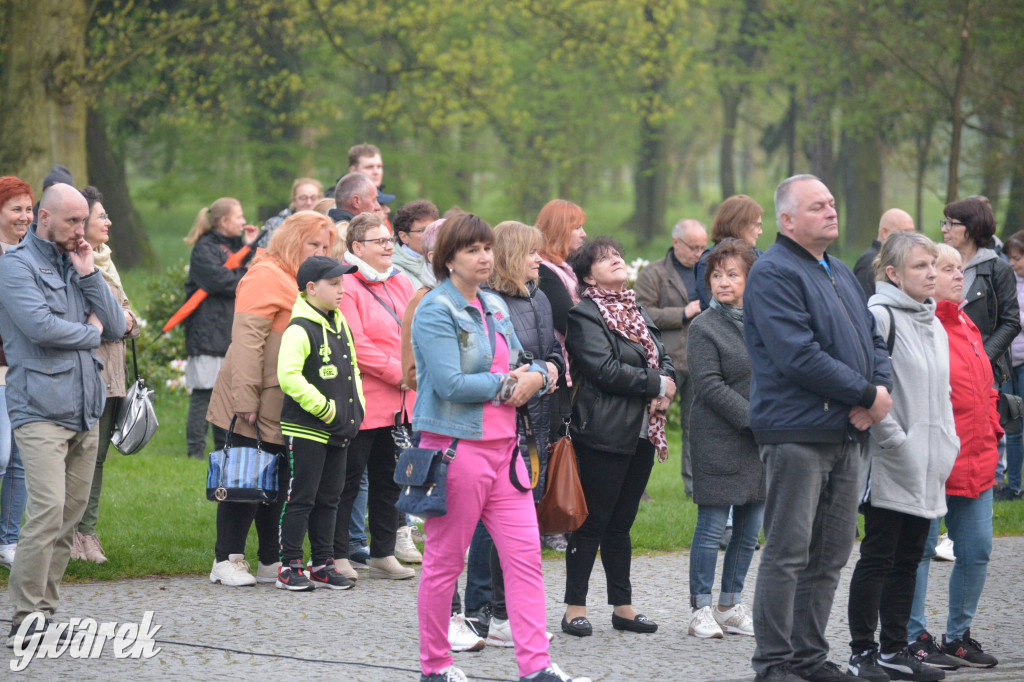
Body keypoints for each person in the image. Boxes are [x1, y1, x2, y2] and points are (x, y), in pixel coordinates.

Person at [411, 213, 587, 682]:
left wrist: (543, 374)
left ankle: (536, 667)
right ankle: (436, 667)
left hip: (506, 452)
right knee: (445, 562)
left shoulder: (494, 305)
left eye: (487, 248)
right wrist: (511, 384)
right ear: (448, 259)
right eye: (472, 250)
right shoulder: (436, 308)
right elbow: (449, 382)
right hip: (455, 450)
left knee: (526, 559)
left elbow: (534, 360)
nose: (484, 257)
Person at [745, 175, 892, 682]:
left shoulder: (839, 271)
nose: (831, 212)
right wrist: (867, 394)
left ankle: (809, 658)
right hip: (797, 435)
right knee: (787, 555)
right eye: (816, 207)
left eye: (832, 203)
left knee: (829, 556)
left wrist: (876, 396)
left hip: (848, 433)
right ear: (787, 221)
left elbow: (873, 340)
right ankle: (774, 664)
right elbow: (797, 356)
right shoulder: (772, 273)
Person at [0, 184, 126, 648]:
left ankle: (45, 612)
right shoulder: (15, 266)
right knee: (47, 510)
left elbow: (115, 325)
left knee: (68, 518)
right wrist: (89, 333)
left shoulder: (80, 263)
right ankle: (25, 614)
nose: (80, 230)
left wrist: (90, 274)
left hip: (85, 407)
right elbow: (39, 328)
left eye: (83, 221)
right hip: (38, 407)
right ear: (44, 217)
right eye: (72, 222)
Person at [845, 231, 956, 682]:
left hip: (930, 463)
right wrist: (897, 441)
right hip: (890, 463)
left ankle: (895, 649)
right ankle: (862, 653)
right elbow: (868, 391)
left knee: (910, 557)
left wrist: (947, 443)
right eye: (920, 266)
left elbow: (941, 396)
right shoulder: (879, 317)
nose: (931, 274)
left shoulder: (934, 320)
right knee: (879, 556)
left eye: (934, 264)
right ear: (892, 273)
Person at [206, 211, 335, 586]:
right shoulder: (265, 274)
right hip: (251, 402)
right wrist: (245, 399)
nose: (319, 252)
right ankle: (225, 559)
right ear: (291, 241)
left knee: (275, 483)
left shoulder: (299, 280)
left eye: (325, 246)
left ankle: (268, 558)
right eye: (313, 244)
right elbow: (247, 342)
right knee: (243, 482)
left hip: (285, 404)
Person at [561, 237, 676, 639]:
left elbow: (664, 357)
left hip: (643, 432)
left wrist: (667, 384)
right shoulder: (585, 314)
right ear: (589, 274)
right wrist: (655, 384)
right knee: (592, 521)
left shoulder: (635, 308)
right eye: (606, 258)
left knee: (622, 523)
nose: (616, 261)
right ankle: (575, 607)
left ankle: (622, 607)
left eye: (619, 256)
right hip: (605, 431)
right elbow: (603, 369)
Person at [905, 243, 1000, 670]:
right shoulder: (923, 325)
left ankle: (957, 637)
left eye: (959, 268)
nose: (958, 275)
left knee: (977, 549)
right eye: (947, 268)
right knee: (919, 551)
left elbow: (985, 387)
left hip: (977, 460)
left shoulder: (967, 323)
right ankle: (913, 637)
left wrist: (996, 431)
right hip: (933, 460)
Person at [482, 220, 565, 645]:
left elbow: (553, 352)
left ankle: (510, 614)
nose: (540, 259)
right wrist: (535, 371)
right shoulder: (488, 301)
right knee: (496, 528)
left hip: (539, 419)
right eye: (533, 252)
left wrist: (551, 370)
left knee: (523, 525)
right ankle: (490, 612)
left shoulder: (542, 297)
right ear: (514, 254)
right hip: (503, 422)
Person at [685, 238, 762, 640]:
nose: (723, 282)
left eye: (733, 274)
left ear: (751, 279)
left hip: (760, 441)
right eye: (716, 275)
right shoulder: (704, 326)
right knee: (713, 525)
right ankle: (700, 607)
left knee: (750, 529)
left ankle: (730, 604)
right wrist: (756, 419)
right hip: (718, 435)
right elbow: (709, 386)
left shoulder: (763, 321)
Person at [334, 212, 419, 578]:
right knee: (348, 482)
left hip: (401, 402)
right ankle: (337, 553)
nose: (389, 246)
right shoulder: (346, 284)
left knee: (391, 480)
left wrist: (416, 369)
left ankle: (383, 553)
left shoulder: (399, 281)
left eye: (389, 240)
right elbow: (356, 342)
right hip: (364, 400)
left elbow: (416, 327)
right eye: (380, 241)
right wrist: (400, 372)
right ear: (356, 247)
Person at [275, 255, 363, 591]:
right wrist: (326, 408)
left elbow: (353, 371)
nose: (342, 290)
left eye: (343, 283)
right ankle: (290, 565)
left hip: (339, 429)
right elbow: (289, 377)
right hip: (307, 427)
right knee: (302, 496)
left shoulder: (339, 323)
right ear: (312, 288)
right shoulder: (299, 328)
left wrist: (358, 408)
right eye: (335, 283)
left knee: (331, 497)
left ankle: (323, 563)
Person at [71, 186, 140, 565]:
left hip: (114, 375)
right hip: (90, 372)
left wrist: (122, 319)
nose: (109, 222)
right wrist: (121, 320)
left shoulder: (107, 262)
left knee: (97, 459)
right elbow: (107, 321)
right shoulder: (78, 265)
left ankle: (87, 533)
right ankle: (72, 534)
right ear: (83, 223)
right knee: (82, 456)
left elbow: (128, 317)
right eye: (102, 216)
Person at [182, 197, 259, 460]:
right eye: (239, 217)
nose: (243, 221)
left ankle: (221, 448)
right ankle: (194, 451)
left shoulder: (236, 247)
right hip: (206, 332)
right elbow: (224, 282)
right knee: (204, 392)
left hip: (228, 332)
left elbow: (252, 270)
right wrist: (246, 274)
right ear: (224, 221)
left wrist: (249, 247)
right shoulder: (204, 249)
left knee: (226, 394)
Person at [635, 218, 707, 497]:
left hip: (699, 361)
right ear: (676, 242)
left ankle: (695, 488)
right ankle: (638, 487)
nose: (698, 253)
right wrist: (682, 313)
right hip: (665, 362)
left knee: (696, 427)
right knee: (649, 422)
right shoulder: (653, 274)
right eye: (693, 247)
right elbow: (643, 313)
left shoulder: (708, 271)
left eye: (703, 247)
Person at [941, 198, 1020, 387]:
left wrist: (981, 358)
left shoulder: (998, 269)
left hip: (983, 374)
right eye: (944, 223)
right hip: (943, 367)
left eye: (951, 224)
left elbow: (1011, 323)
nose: (944, 229)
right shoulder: (936, 264)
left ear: (972, 227)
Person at [0, 176, 34, 569]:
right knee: (3, 455)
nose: (24, 216)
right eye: (15, 209)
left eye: (28, 209)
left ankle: (8, 539)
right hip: (2, 367)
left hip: (28, 370)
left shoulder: (34, 254)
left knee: (21, 460)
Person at [695, 195, 764, 310]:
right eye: (757, 225)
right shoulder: (709, 260)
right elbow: (714, 309)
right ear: (740, 224)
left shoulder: (758, 256)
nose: (760, 231)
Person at [999, 230, 1024, 501]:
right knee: (1012, 425)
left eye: (1017, 258)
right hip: (1008, 364)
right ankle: (1014, 485)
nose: (1012, 263)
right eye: (1010, 258)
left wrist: (1012, 319)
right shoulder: (1007, 279)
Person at [852, 208, 915, 300]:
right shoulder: (870, 263)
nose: (910, 238)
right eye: (904, 232)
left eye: (912, 233)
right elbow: (863, 304)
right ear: (885, 232)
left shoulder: (894, 258)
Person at [258, 177, 324, 248]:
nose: (308, 202)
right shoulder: (276, 224)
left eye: (313, 198)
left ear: (320, 200)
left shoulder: (326, 225)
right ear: (294, 200)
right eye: (303, 198)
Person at [392, 199, 440, 290]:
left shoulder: (444, 263)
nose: (430, 234)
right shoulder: (394, 273)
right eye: (422, 230)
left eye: (433, 229)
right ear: (404, 237)